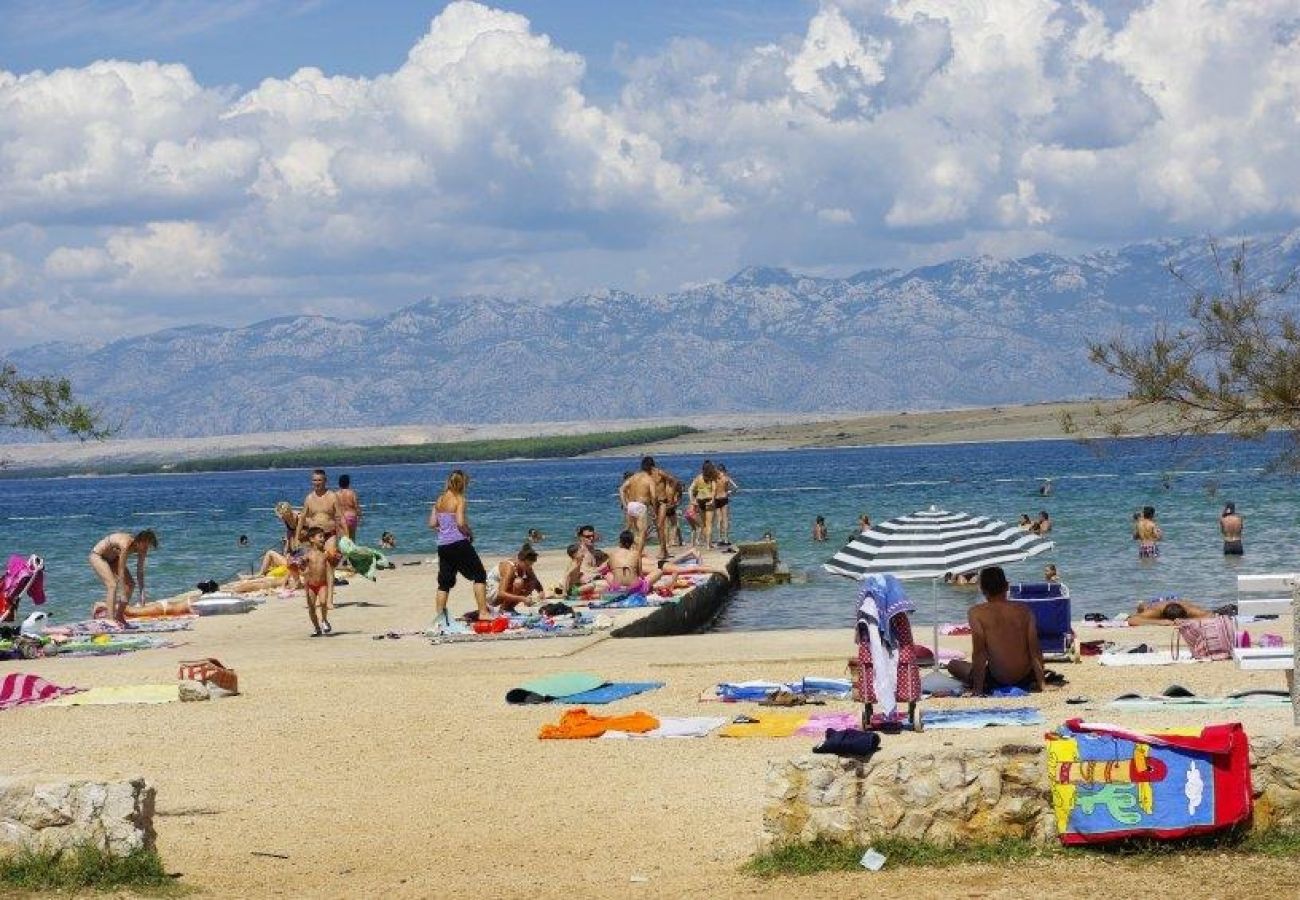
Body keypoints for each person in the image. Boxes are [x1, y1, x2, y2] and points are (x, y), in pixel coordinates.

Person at [946, 566, 1046, 695]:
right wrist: (1042, 684)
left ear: (982, 589)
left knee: (953, 665)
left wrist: (977, 689)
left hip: (997, 679)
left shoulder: (976, 613)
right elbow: (1035, 651)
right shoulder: (1025, 611)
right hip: (1026, 677)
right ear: (1007, 586)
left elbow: (979, 653)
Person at [429, 469, 491, 633]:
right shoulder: (459, 499)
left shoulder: (439, 500)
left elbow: (432, 523)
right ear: (462, 484)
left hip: (443, 545)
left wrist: (444, 528)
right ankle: (483, 612)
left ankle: (440, 618)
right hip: (458, 543)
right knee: (479, 575)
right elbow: (461, 522)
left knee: (444, 583)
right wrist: (469, 533)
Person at [88, 530, 158, 623]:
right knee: (112, 585)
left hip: (114, 559)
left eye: (148, 547)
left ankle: (119, 616)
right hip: (98, 556)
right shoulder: (125, 544)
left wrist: (142, 593)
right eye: (146, 545)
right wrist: (122, 593)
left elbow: (140, 571)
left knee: (131, 584)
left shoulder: (143, 549)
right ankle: (110, 620)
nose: (146, 548)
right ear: (140, 541)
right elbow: (121, 570)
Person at [294, 470, 345, 552]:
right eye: (314, 480)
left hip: (329, 534)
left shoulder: (333, 496)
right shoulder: (309, 498)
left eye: (319, 480)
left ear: (325, 481)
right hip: (313, 536)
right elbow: (302, 519)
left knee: (331, 555)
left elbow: (341, 517)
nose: (317, 483)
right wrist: (297, 538)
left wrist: (346, 536)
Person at [487, 544, 544, 613]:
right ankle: (504, 609)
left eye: (531, 565)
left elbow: (535, 581)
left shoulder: (526, 566)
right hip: (492, 594)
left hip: (503, 591)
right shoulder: (509, 567)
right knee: (518, 582)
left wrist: (541, 592)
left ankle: (508, 608)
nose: (529, 567)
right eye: (527, 565)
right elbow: (501, 593)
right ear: (520, 560)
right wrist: (522, 598)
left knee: (531, 582)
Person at [301, 527, 334, 637]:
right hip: (310, 586)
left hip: (322, 584)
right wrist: (299, 564)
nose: (323, 539)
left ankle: (324, 620)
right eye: (320, 536)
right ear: (311, 539)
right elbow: (303, 568)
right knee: (311, 608)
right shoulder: (308, 555)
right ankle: (317, 628)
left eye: (323, 537)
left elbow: (329, 573)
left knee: (323, 602)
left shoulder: (325, 555)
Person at [688, 461, 720, 548]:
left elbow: (690, 489)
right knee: (709, 524)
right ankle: (708, 545)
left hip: (700, 500)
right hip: (709, 500)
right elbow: (714, 490)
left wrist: (692, 500)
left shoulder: (698, 478)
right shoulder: (712, 478)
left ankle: (707, 543)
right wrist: (713, 500)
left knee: (704, 524)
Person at [1127, 598, 1213, 625]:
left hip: (1177, 599)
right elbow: (1132, 620)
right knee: (1142, 607)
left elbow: (1212, 616)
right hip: (1155, 602)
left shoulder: (1189, 610)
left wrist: (1188, 621)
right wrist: (1160, 622)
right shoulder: (1156, 611)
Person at [713, 464, 738, 547]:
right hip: (724, 498)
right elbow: (736, 487)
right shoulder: (726, 478)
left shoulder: (715, 478)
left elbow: (712, 489)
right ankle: (726, 539)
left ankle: (720, 539)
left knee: (719, 519)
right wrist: (729, 492)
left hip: (717, 499)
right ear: (724, 470)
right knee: (725, 519)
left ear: (718, 470)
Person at [336, 474, 362, 541]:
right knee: (352, 539)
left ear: (339, 483)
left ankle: (343, 551)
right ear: (348, 483)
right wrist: (360, 516)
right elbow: (357, 506)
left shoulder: (336, 494)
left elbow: (335, 508)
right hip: (352, 517)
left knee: (343, 539)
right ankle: (353, 550)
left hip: (343, 518)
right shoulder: (352, 493)